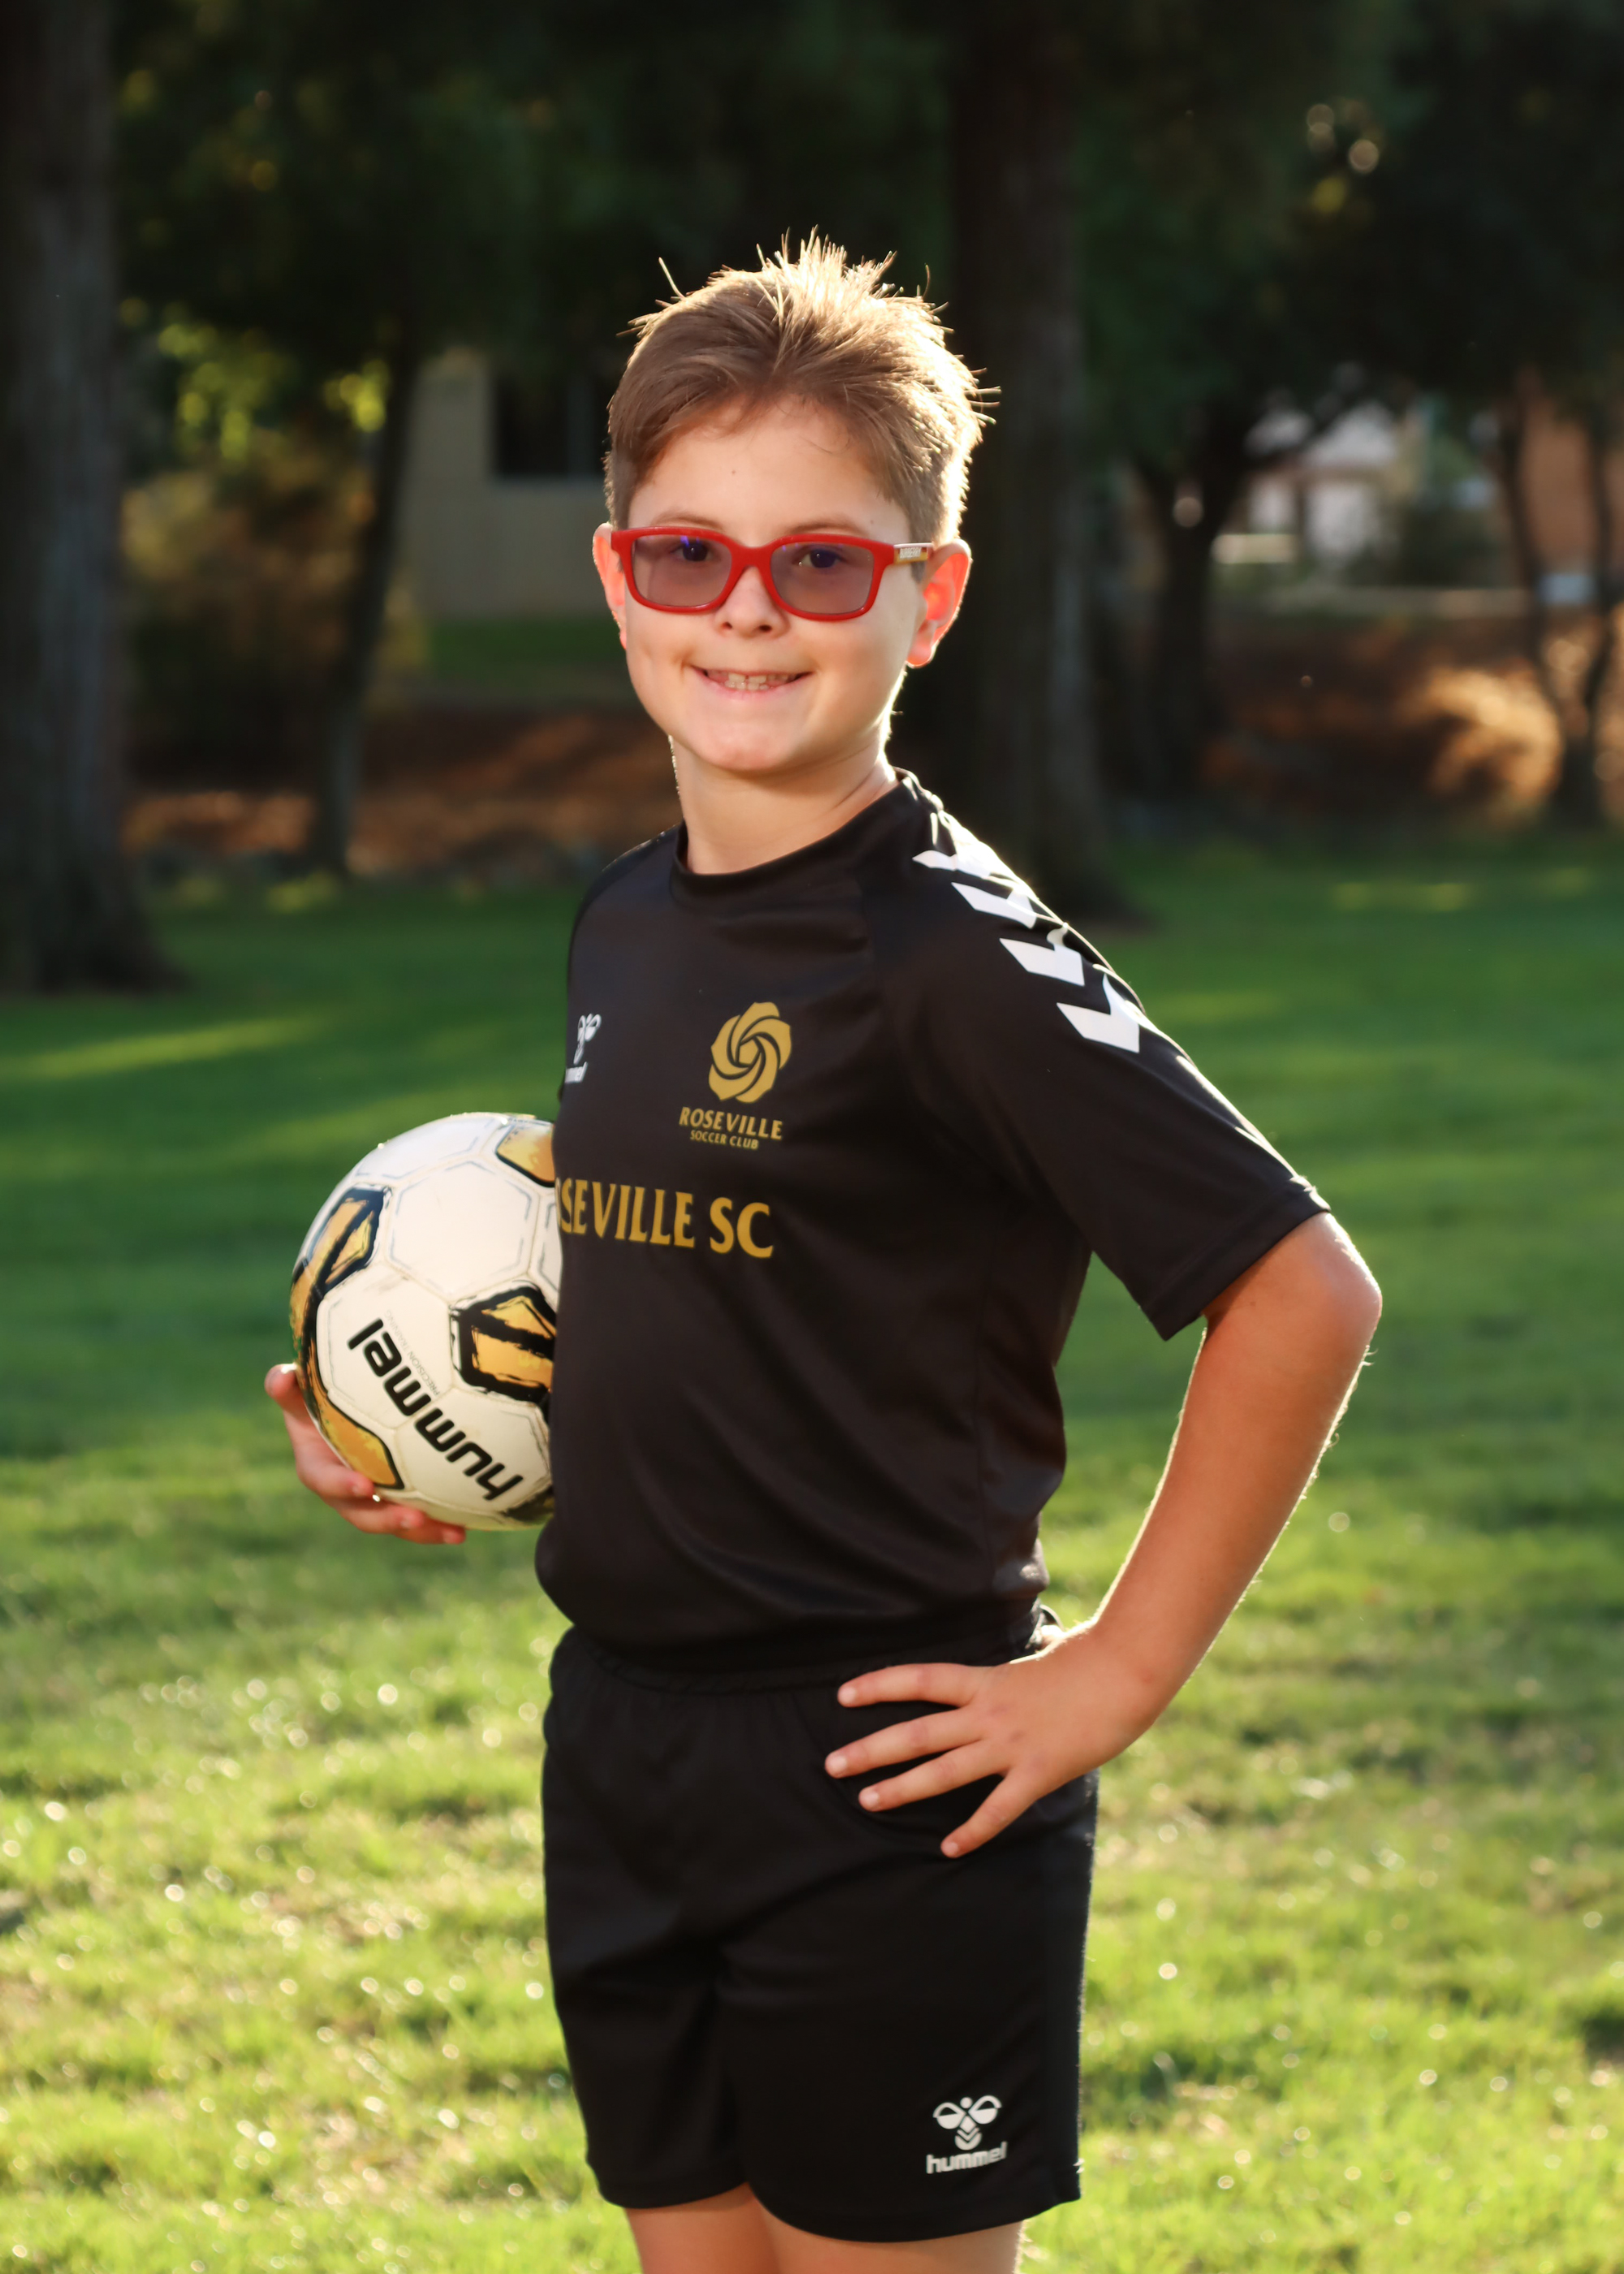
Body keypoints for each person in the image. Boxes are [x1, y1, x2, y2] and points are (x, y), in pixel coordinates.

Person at [266, 239, 1380, 2274]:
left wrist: (1113, 1671)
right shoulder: (625, 918)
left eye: (823, 563)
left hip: (889, 1769)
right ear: (619, 578)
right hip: (620, 1742)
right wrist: (419, 1423)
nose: (748, 610)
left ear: (926, 599)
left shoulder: (955, 954)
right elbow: (707, 1296)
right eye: (689, 555)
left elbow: (1301, 1286)